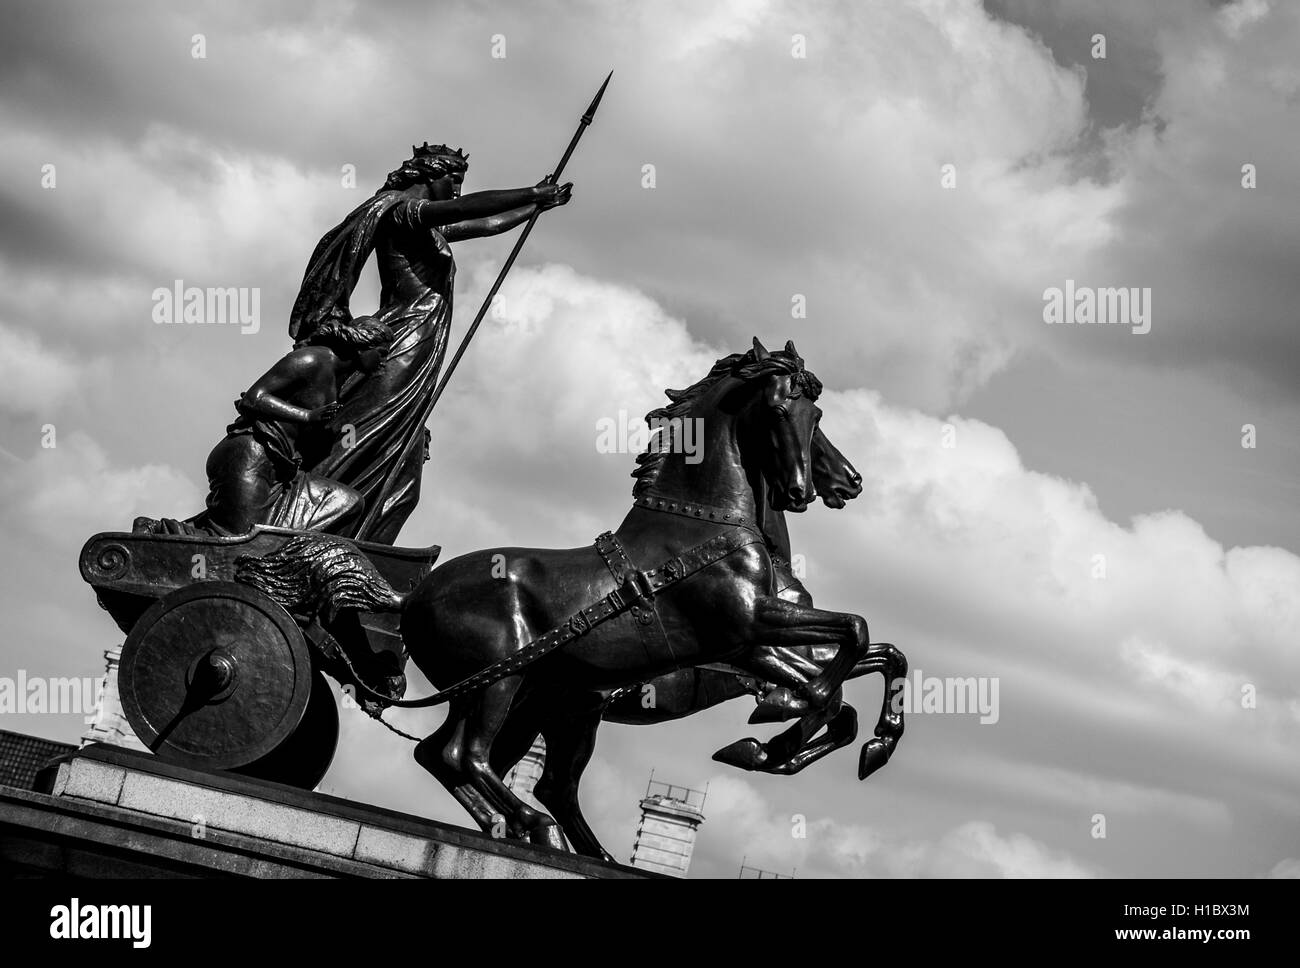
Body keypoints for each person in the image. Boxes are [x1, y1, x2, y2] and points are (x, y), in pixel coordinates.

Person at [287, 142, 572, 544]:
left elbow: (485, 224)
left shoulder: (425, 227)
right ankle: (306, 515)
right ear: (430, 175)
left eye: (461, 183)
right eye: (453, 180)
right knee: (370, 429)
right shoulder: (405, 211)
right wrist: (530, 192)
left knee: (399, 441)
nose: (456, 190)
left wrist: (539, 207)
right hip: (402, 340)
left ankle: (360, 533)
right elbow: (464, 209)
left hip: (422, 343)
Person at [136, 316, 394, 536]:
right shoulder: (312, 359)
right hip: (250, 454)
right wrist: (307, 416)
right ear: (363, 346)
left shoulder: (340, 379)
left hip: (281, 470)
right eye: (382, 353)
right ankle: (157, 531)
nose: (384, 361)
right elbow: (253, 398)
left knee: (349, 503)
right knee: (236, 539)